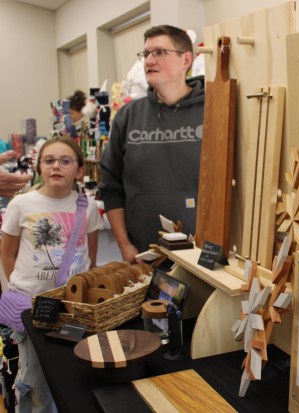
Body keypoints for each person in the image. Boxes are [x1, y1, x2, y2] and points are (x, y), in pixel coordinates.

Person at [0, 135, 103, 413]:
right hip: (31, 305)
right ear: (39, 167)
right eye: (49, 160)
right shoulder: (21, 205)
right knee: (33, 376)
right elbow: (7, 254)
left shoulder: (88, 207)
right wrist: (19, 289)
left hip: (73, 307)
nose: (56, 166)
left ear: (79, 170)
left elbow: (90, 255)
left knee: (71, 369)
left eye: (65, 161)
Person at [99, 25, 204, 262]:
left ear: (186, 59)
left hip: (202, 254)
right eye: (146, 54)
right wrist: (124, 245)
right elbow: (110, 186)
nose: (149, 60)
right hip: (143, 255)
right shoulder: (127, 117)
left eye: (159, 52)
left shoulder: (212, 111)